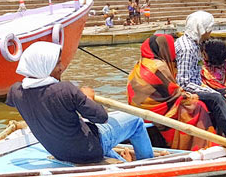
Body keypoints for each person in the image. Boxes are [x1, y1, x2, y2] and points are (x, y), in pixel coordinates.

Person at [9, 42, 154, 163]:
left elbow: (33, 98)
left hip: (61, 152)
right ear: (43, 66)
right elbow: (101, 117)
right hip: (89, 149)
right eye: (56, 63)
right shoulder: (64, 90)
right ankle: (148, 164)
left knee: (86, 126)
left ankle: (123, 164)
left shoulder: (16, 92)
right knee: (135, 120)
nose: (61, 68)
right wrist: (87, 97)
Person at [127, 34, 214, 150]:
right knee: (198, 107)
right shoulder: (158, 66)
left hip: (138, 110)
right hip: (155, 112)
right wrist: (190, 97)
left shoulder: (139, 64)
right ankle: (199, 146)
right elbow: (174, 94)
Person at [176, 11, 226, 137]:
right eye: (208, 29)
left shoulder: (194, 45)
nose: (209, 33)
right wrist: (211, 92)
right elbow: (183, 82)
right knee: (217, 98)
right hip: (185, 90)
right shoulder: (187, 48)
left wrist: (210, 89)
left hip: (195, 86)